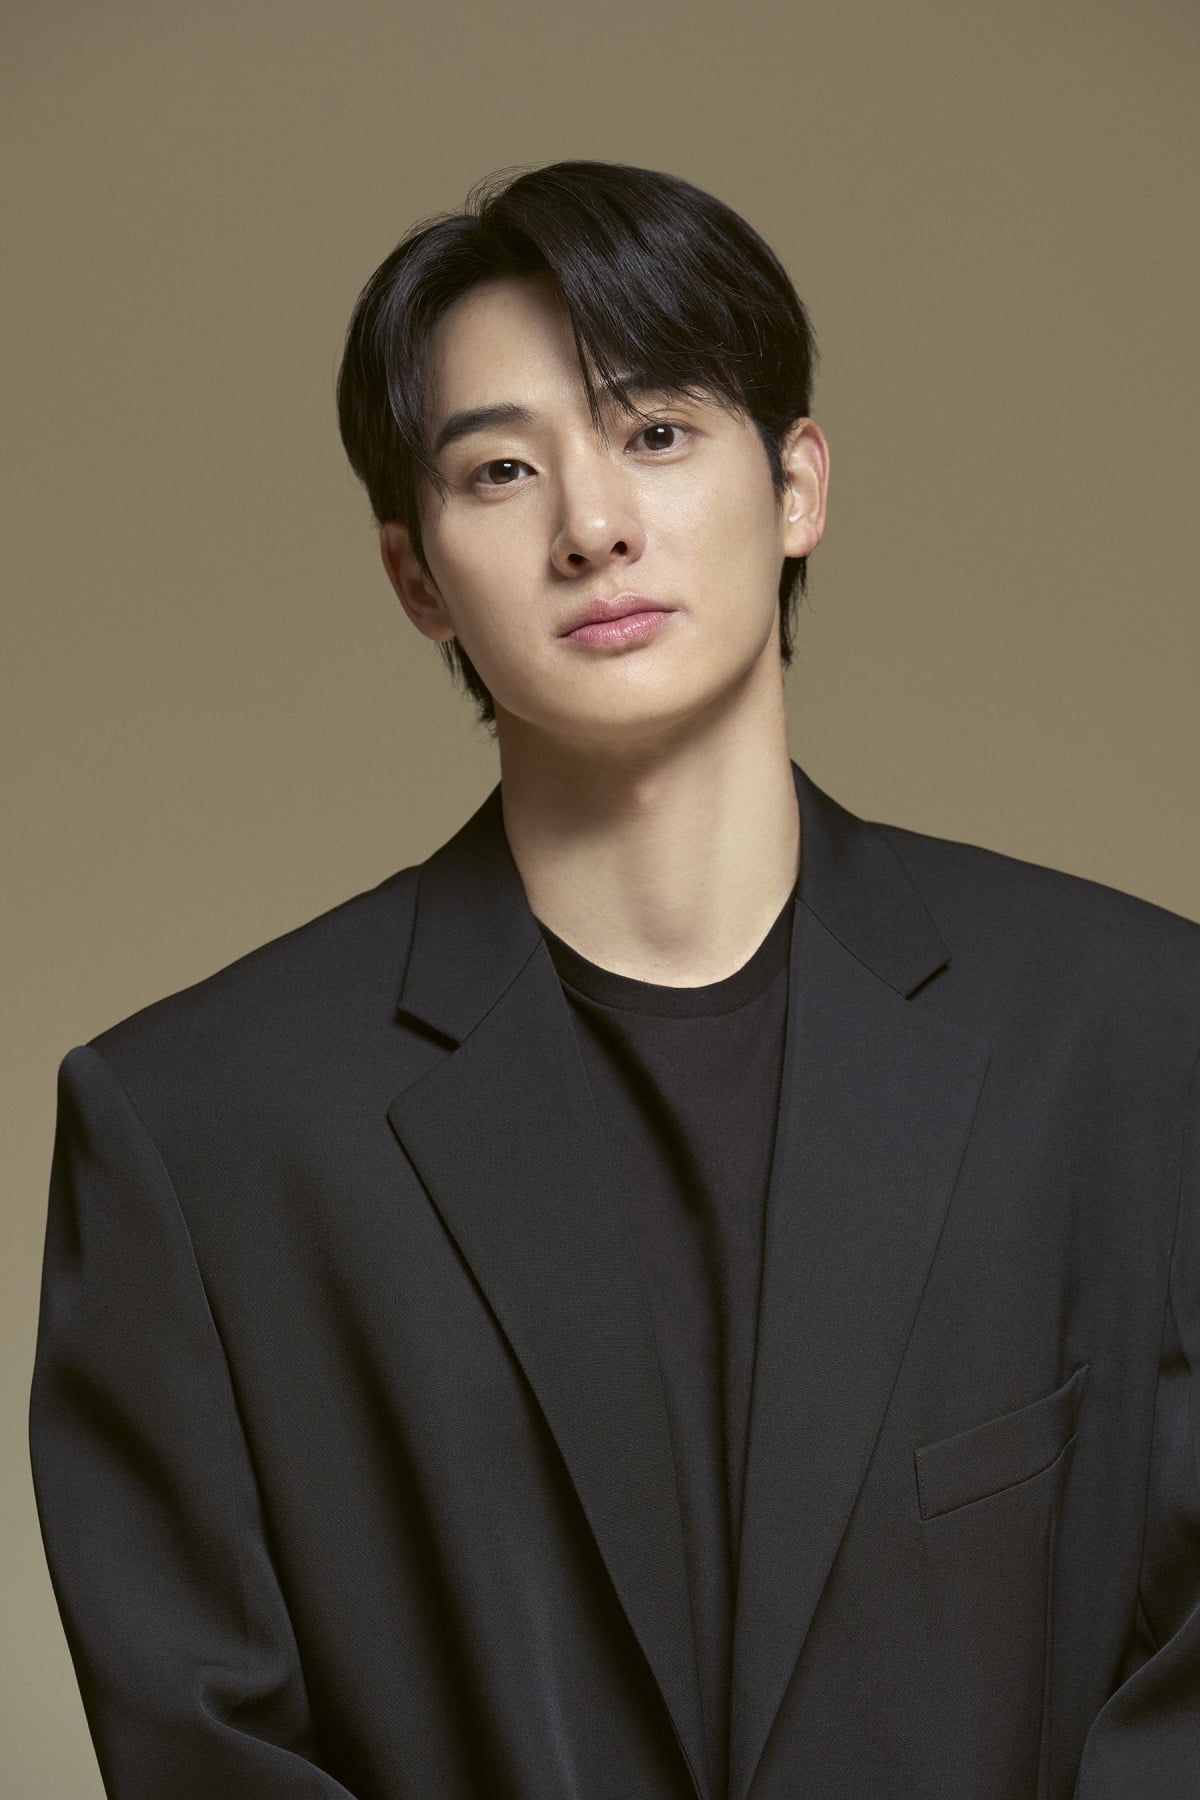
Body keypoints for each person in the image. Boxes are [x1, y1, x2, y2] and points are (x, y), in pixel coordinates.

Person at [29, 160, 1200, 1800]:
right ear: (416, 575)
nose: (592, 527)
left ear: (796, 486)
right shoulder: (198, 1132)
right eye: (502, 470)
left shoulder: (1142, 1038)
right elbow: (202, 1745)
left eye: (655, 431)